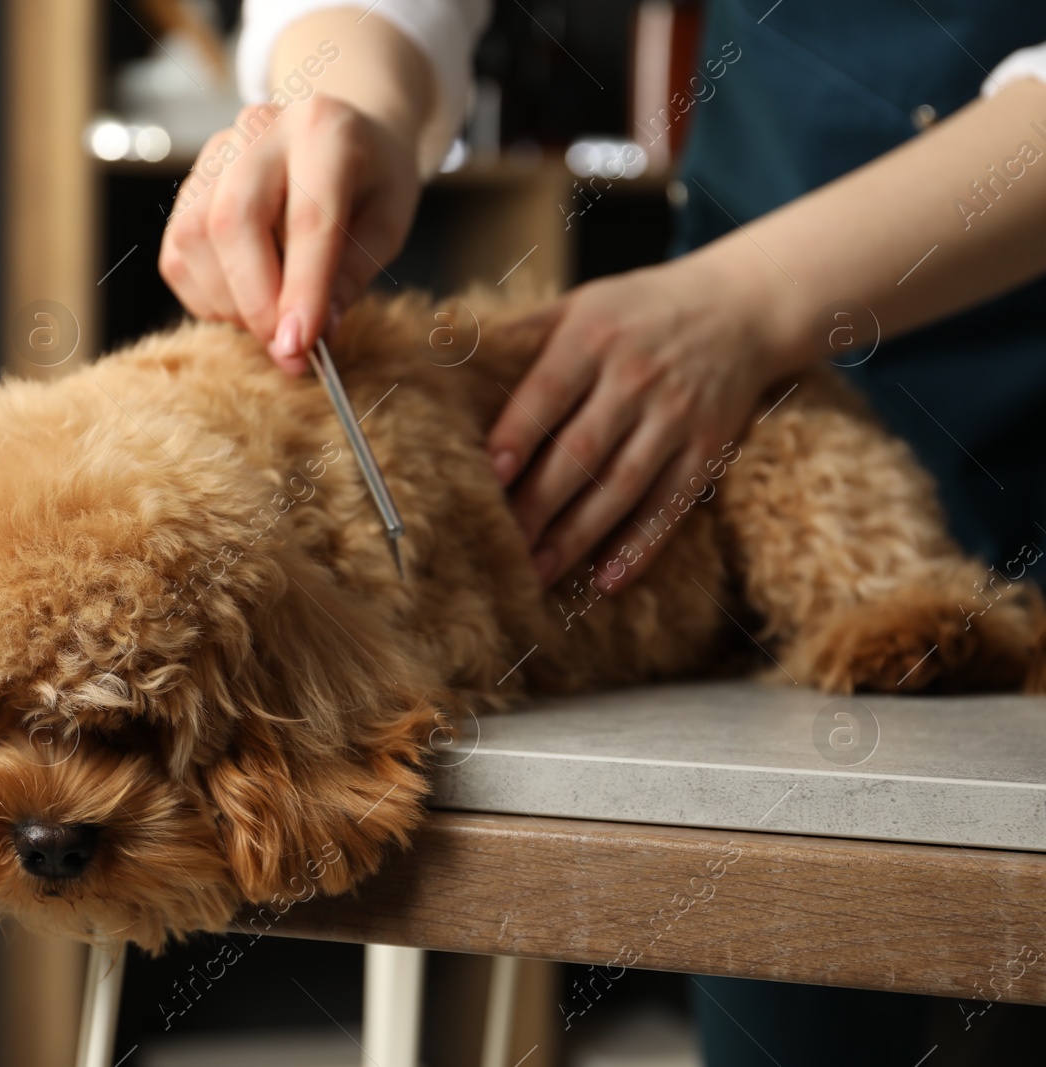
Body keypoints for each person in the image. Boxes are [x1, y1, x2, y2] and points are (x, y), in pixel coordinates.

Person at [159, 1, 1046, 1063]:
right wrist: (342, 101)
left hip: (790, 323)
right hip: (718, 356)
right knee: (797, 986)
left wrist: (747, 301)